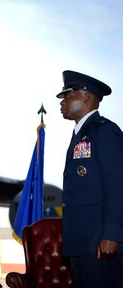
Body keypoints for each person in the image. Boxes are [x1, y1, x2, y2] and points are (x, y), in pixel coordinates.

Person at [56, 70, 123, 288]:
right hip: (81, 241)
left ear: (86, 97)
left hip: (99, 242)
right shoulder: (80, 135)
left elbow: (117, 185)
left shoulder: (104, 132)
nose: (62, 102)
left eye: (67, 96)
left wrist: (111, 234)